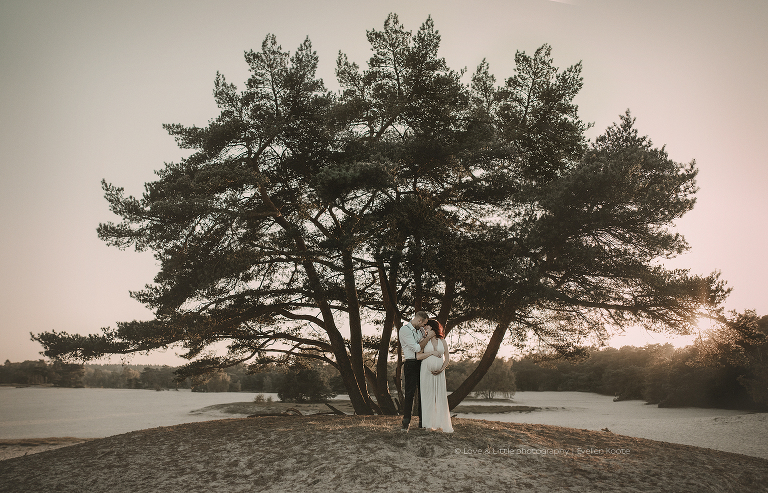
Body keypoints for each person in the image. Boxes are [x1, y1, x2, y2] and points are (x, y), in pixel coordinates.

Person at [416, 319, 453, 432]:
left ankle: (441, 424)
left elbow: (447, 358)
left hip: (440, 373)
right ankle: (428, 425)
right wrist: (431, 353)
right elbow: (418, 356)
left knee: (440, 396)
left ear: (432, 327)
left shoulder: (443, 341)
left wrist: (442, 369)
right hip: (426, 371)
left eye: (426, 326)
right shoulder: (424, 340)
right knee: (427, 396)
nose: (425, 327)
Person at [398, 311, 433, 432]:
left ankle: (423, 422)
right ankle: (406, 423)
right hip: (411, 364)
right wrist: (427, 337)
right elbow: (417, 348)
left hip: (422, 363)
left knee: (423, 393)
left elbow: (422, 344)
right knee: (410, 394)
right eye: (424, 324)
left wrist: (425, 334)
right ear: (419, 321)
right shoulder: (405, 330)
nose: (424, 326)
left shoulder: (420, 330)